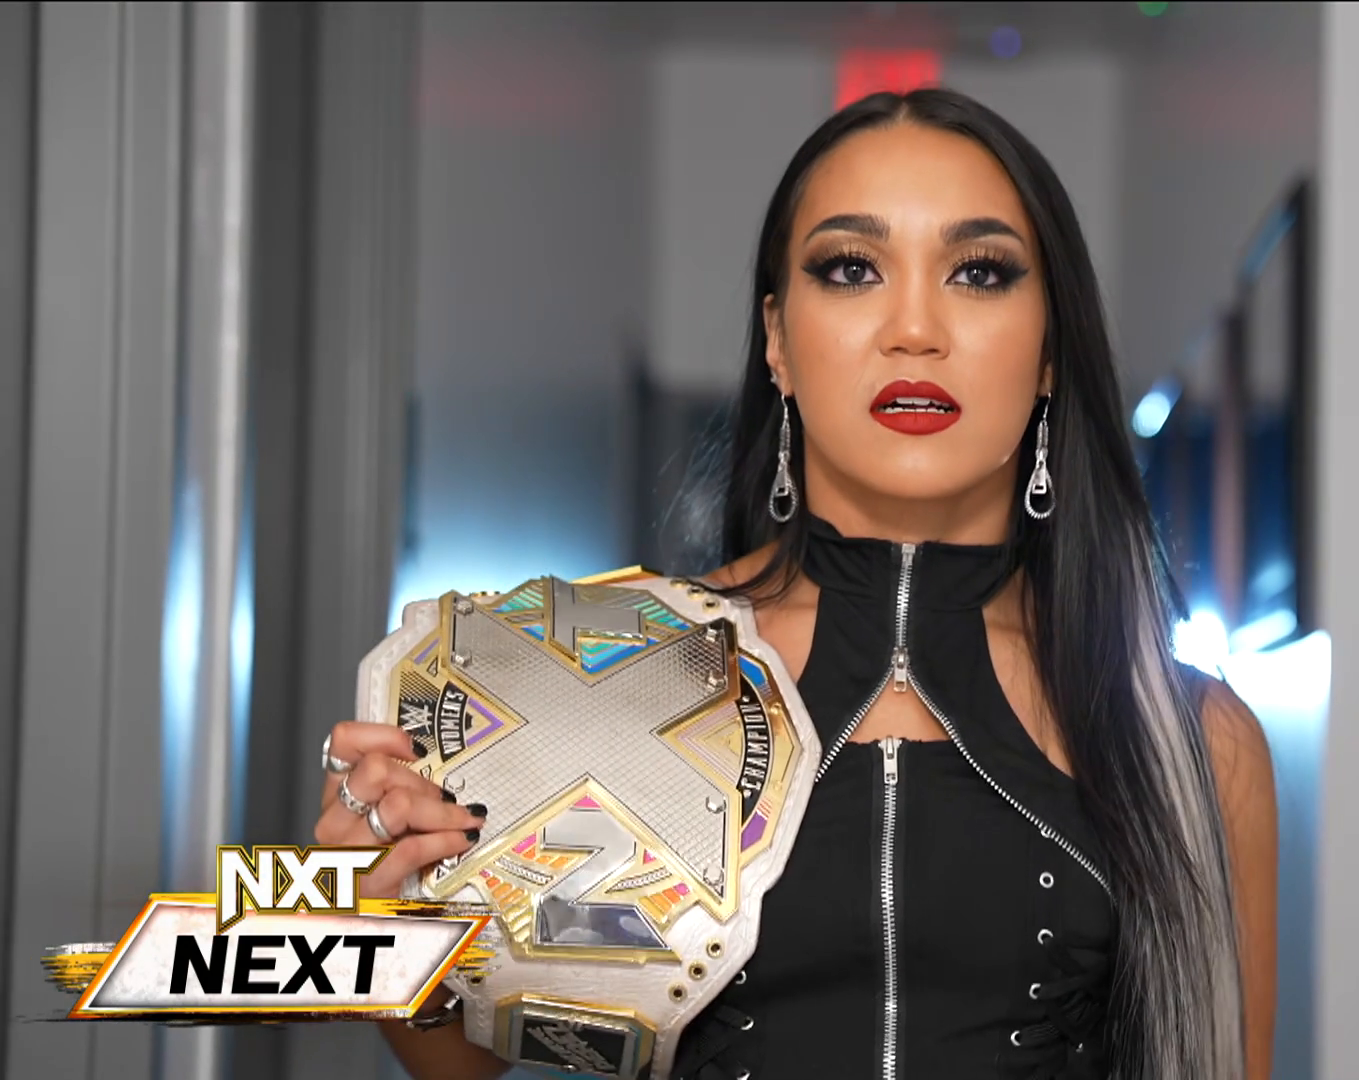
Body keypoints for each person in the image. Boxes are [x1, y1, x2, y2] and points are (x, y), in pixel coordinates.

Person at [311, 87, 1278, 1080]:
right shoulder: (605, 670)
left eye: (979, 272)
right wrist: (380, 917)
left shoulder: (1195, 742)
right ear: (777, 338)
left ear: (1049, 352)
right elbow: (465, 1065)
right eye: (851, 269)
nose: (914, 328)